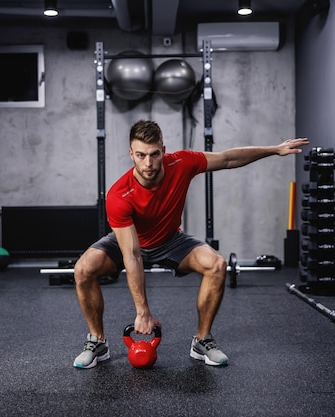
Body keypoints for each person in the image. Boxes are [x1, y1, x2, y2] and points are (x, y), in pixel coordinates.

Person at [73, 120, 309, 369]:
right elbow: (132, 255)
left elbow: (228, 158)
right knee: (83, 269)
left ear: (164, 150)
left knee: (216, 265)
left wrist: (274, 149)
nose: (148, 163)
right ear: (131, 153)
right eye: (141, 155)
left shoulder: (181, 163)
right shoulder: (119, 195)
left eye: (154, 154)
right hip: (128, 241)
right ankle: (97, 341)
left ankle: (202, 340)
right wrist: (143, 312)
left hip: (170, 240)